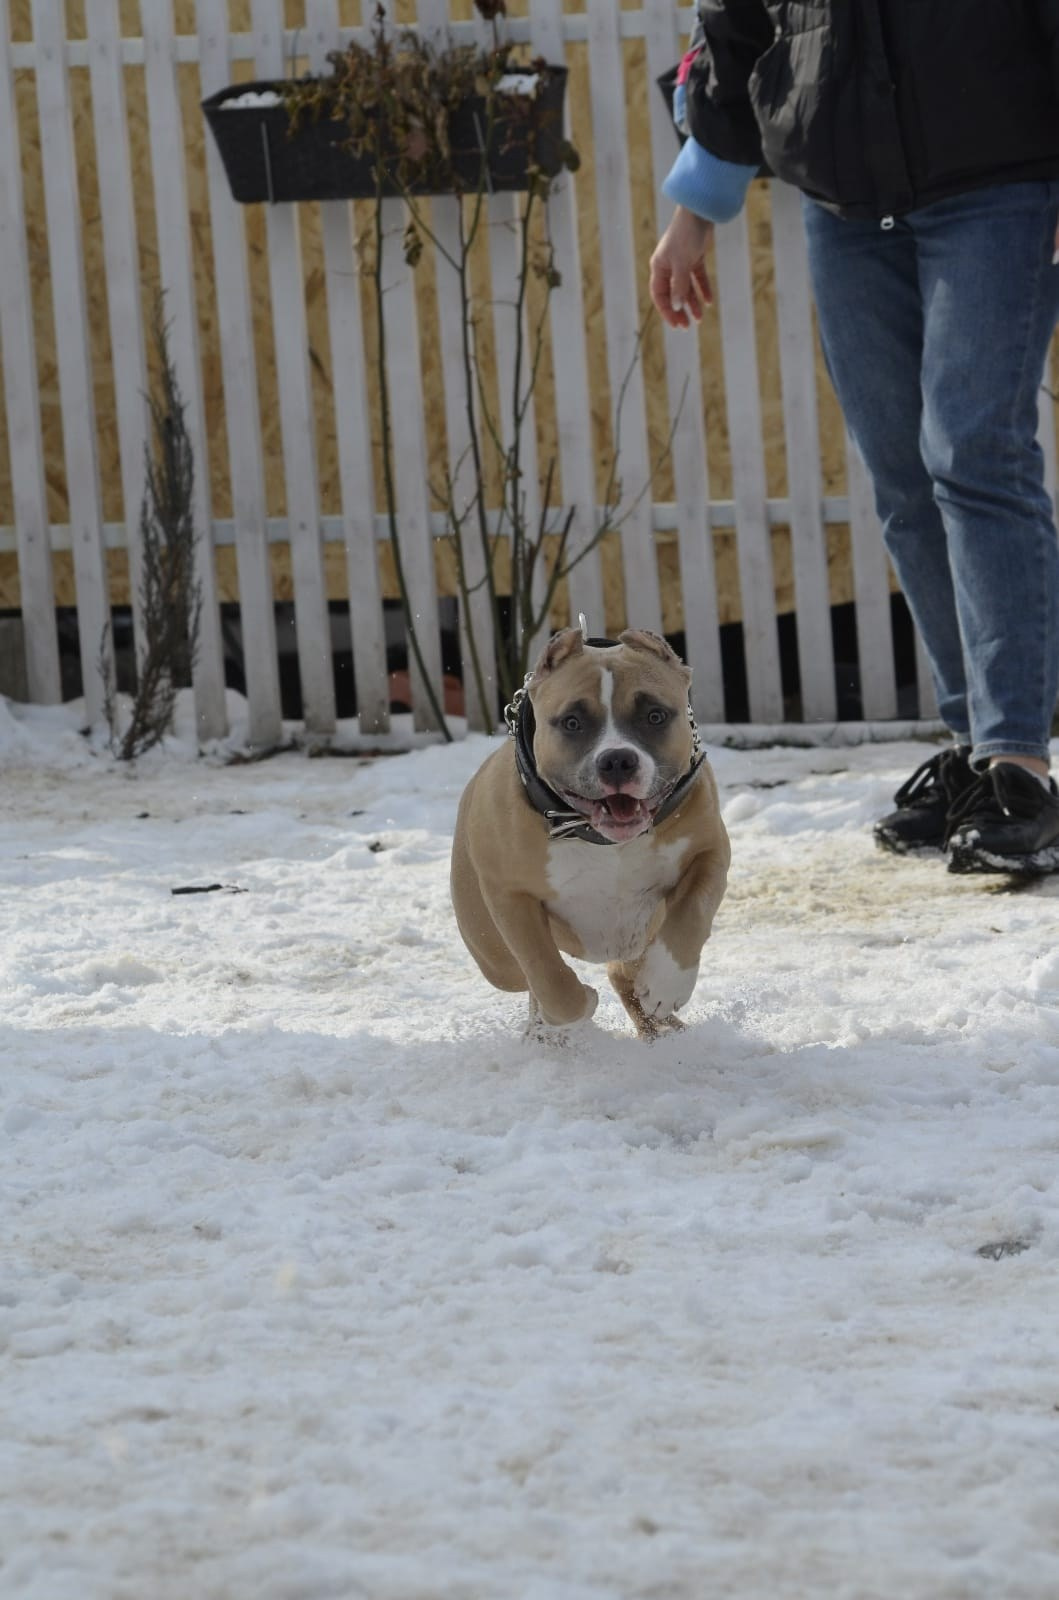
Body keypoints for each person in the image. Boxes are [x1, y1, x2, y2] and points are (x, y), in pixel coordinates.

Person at [649, 1, 1059, 876]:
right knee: (905, 484)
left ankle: (1018, 765)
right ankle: (972, 750)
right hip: (841, 204)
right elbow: (735, 29)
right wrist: (695, 204)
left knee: (975, 457)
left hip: (997, 185)